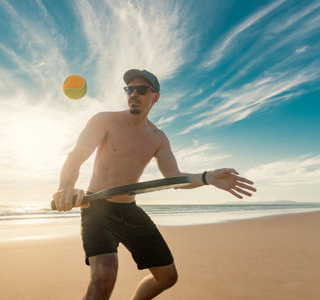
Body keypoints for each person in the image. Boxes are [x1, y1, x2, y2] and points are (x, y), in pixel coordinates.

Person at [53, 69, 256, 300]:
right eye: (130, 89)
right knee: (104, 275)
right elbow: (76, 157)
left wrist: (208, 177)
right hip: (97, 208)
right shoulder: (105, 121)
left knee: (168, 277)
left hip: (129, 210)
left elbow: (175, 178)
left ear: (155, 97)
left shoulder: (158, 138)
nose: (134, 94)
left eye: (141, 90)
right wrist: (65, 187)